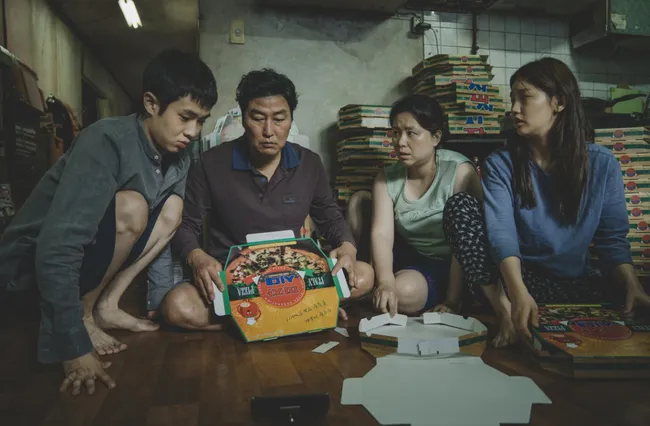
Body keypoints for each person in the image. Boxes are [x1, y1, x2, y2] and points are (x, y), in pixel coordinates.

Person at [0, 49, 217, 395]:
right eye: (185, 117)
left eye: (201, 121)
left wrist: (160, 303)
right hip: (27, 272)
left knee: (174, 208)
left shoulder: (180, 154)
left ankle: (105, 306)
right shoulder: (105, 140)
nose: (192, 131)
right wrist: (72, 345)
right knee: (132, 206)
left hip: (83, 266)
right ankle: (83, 315)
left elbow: (167, 229)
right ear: (151, 103)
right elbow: (57, 247)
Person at [160, 68, 374, 328]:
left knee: (364, 275)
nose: (269, 131)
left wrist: (348, 246)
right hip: (236, 281)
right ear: (243, 118)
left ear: (291, 119)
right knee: (177, 306)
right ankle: (301, 313)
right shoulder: (211, 163)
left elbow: (330, 217)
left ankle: (255, 319)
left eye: (279, 119)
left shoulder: (309, 163)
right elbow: (187, 225)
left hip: (294, 276)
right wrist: (198, 258)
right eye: (258, 118)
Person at [479, 57, 650, 346]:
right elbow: (501, 234)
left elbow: (611, 239)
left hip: (574, 284)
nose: (514, 109)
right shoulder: (501, 164)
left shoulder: (602, 164)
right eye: (512, 99)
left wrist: (633, 285)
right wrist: (517, 292)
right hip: (517, 282)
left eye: (524, 98)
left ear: (558, 102)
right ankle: (507, 310)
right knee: (461, 207)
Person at [371, 94, 489, 316]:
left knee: (402, 293)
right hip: (415, 259)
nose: (400, 142)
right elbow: (381, 235)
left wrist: (453, 301)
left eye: (411, 133)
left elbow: (469, 239)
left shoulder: (459, 171)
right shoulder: (386, 177)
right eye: (396, 132)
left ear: (435, 137)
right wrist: (385, 282)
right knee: (393, 291)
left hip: (458, 264)